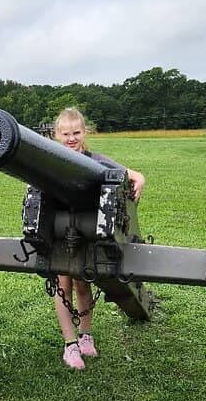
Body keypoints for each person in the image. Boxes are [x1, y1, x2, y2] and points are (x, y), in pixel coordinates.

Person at [51, 107, 145, 370]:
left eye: (76, 132)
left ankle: (86, 335)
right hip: (59, 232)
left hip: (88, 230)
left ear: (85, 132)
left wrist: (139, 179)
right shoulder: (50, 161)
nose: (71, 138)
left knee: (83, 284)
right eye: (66, 133)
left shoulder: (94, 159)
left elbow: (130, 174)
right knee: (63, 286)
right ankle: (69, 344)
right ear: (57, 135)